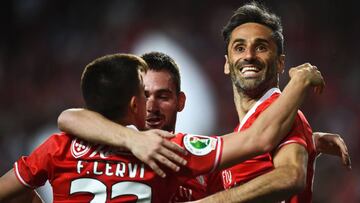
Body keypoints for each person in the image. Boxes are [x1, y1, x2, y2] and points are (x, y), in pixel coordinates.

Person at [0, 51, 324, 202]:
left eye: (162, 96)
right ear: (133, 104)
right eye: (145, 94)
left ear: (181, 101)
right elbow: (260, 139)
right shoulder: (171, 153)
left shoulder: (58, 147)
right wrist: (301, 81)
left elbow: (67, 118)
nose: (151, 105)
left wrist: (313, 138)